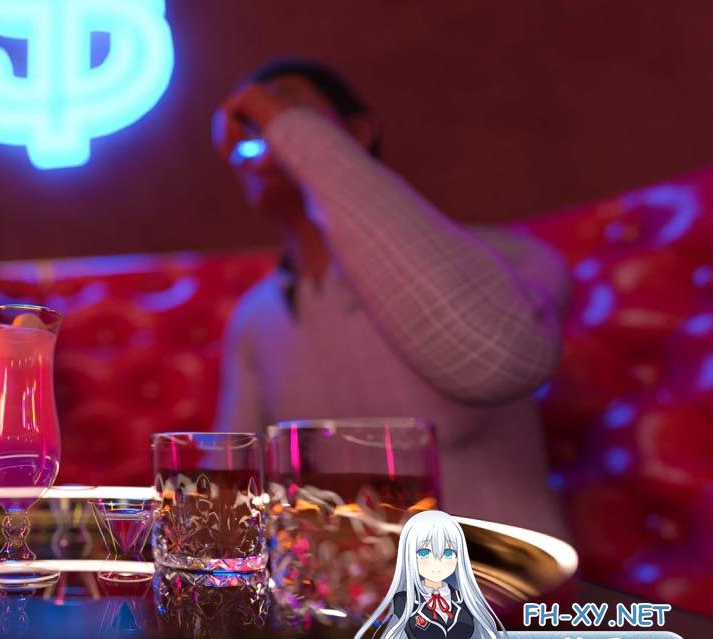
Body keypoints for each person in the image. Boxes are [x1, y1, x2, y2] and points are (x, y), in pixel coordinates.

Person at [211, 59, 570, 536]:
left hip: (499, 579)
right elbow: (228, 485)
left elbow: (492, 359)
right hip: (341, 581)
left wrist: (290, 129)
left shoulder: (506, 259)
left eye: (284, 102)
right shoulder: (255, 316)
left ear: (356, 133)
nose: (259, 126)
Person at [347, 511, 509, 639]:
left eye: (447, 554)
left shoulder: (402, 601)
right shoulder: (469, 600)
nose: (437, 563)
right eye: (425, 554)